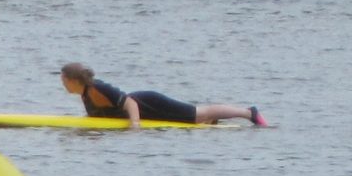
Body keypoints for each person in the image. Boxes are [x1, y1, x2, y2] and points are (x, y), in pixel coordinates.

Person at [61, 62, 265, 128]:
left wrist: (135, 126)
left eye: (64, 80)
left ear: (73, 80)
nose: (63, 85)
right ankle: (212, 122)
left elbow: (130, 103)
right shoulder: (85, 94)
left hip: (149, 104)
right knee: (198, 118)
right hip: (147, 111)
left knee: (198, 113)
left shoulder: (97, 88)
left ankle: (249, 113)